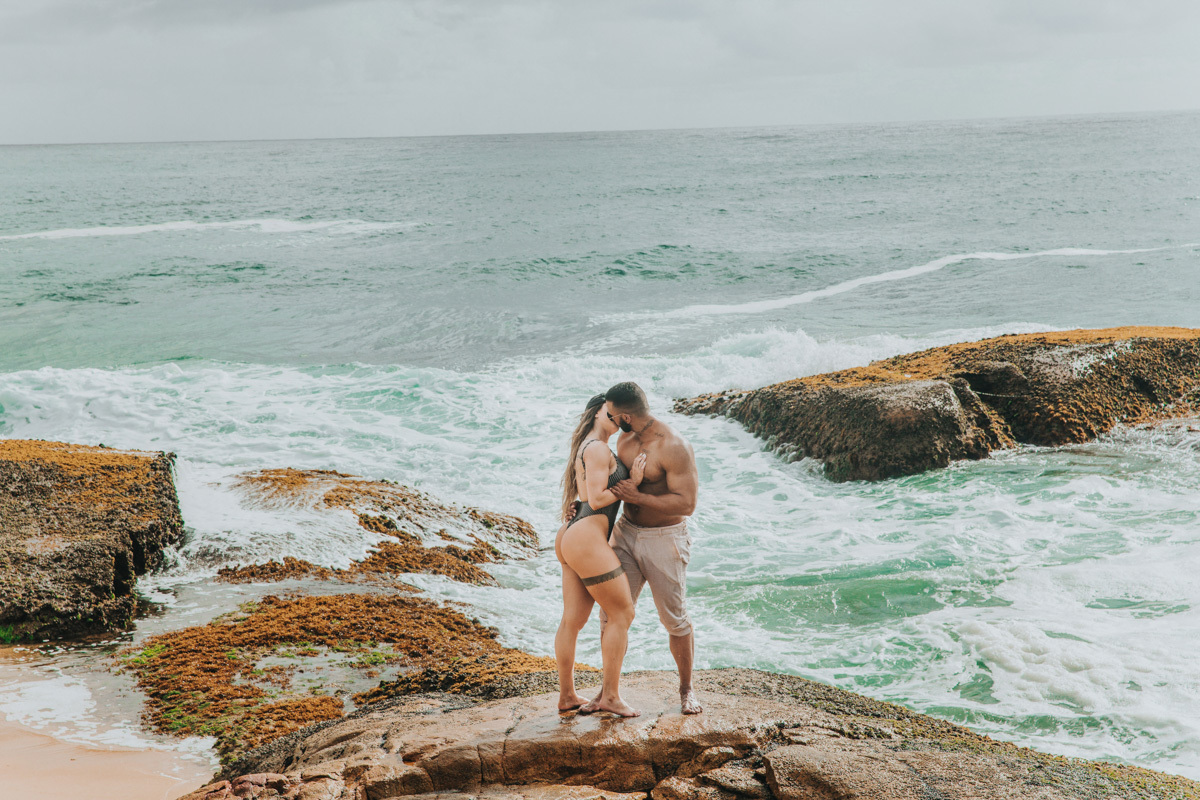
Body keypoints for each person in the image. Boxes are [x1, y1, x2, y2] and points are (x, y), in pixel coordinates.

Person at [592, 380, 703, 715]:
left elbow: (687, 503)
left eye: (612, 413)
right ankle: (607, 692)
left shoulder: (673, 446)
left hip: (664, 540)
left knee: (674, 619)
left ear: (626, 415)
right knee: (611, 613)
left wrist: (638, 496)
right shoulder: (623, 438)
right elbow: (603, 481)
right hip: (626, 533)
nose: (608, 418)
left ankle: (686, 689)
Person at [554, 393, 648, 717]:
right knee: (623, 613)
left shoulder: (587, 447)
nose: (616, 419)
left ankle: (567, 696)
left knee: (573, 620)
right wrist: (632, 481)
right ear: (596, 413)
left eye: (618, 415)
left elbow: (585, 497)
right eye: (610, 414)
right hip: (586, 538)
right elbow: (595, 497)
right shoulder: (596, 448)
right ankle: (610, 696)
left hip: (572, 533)